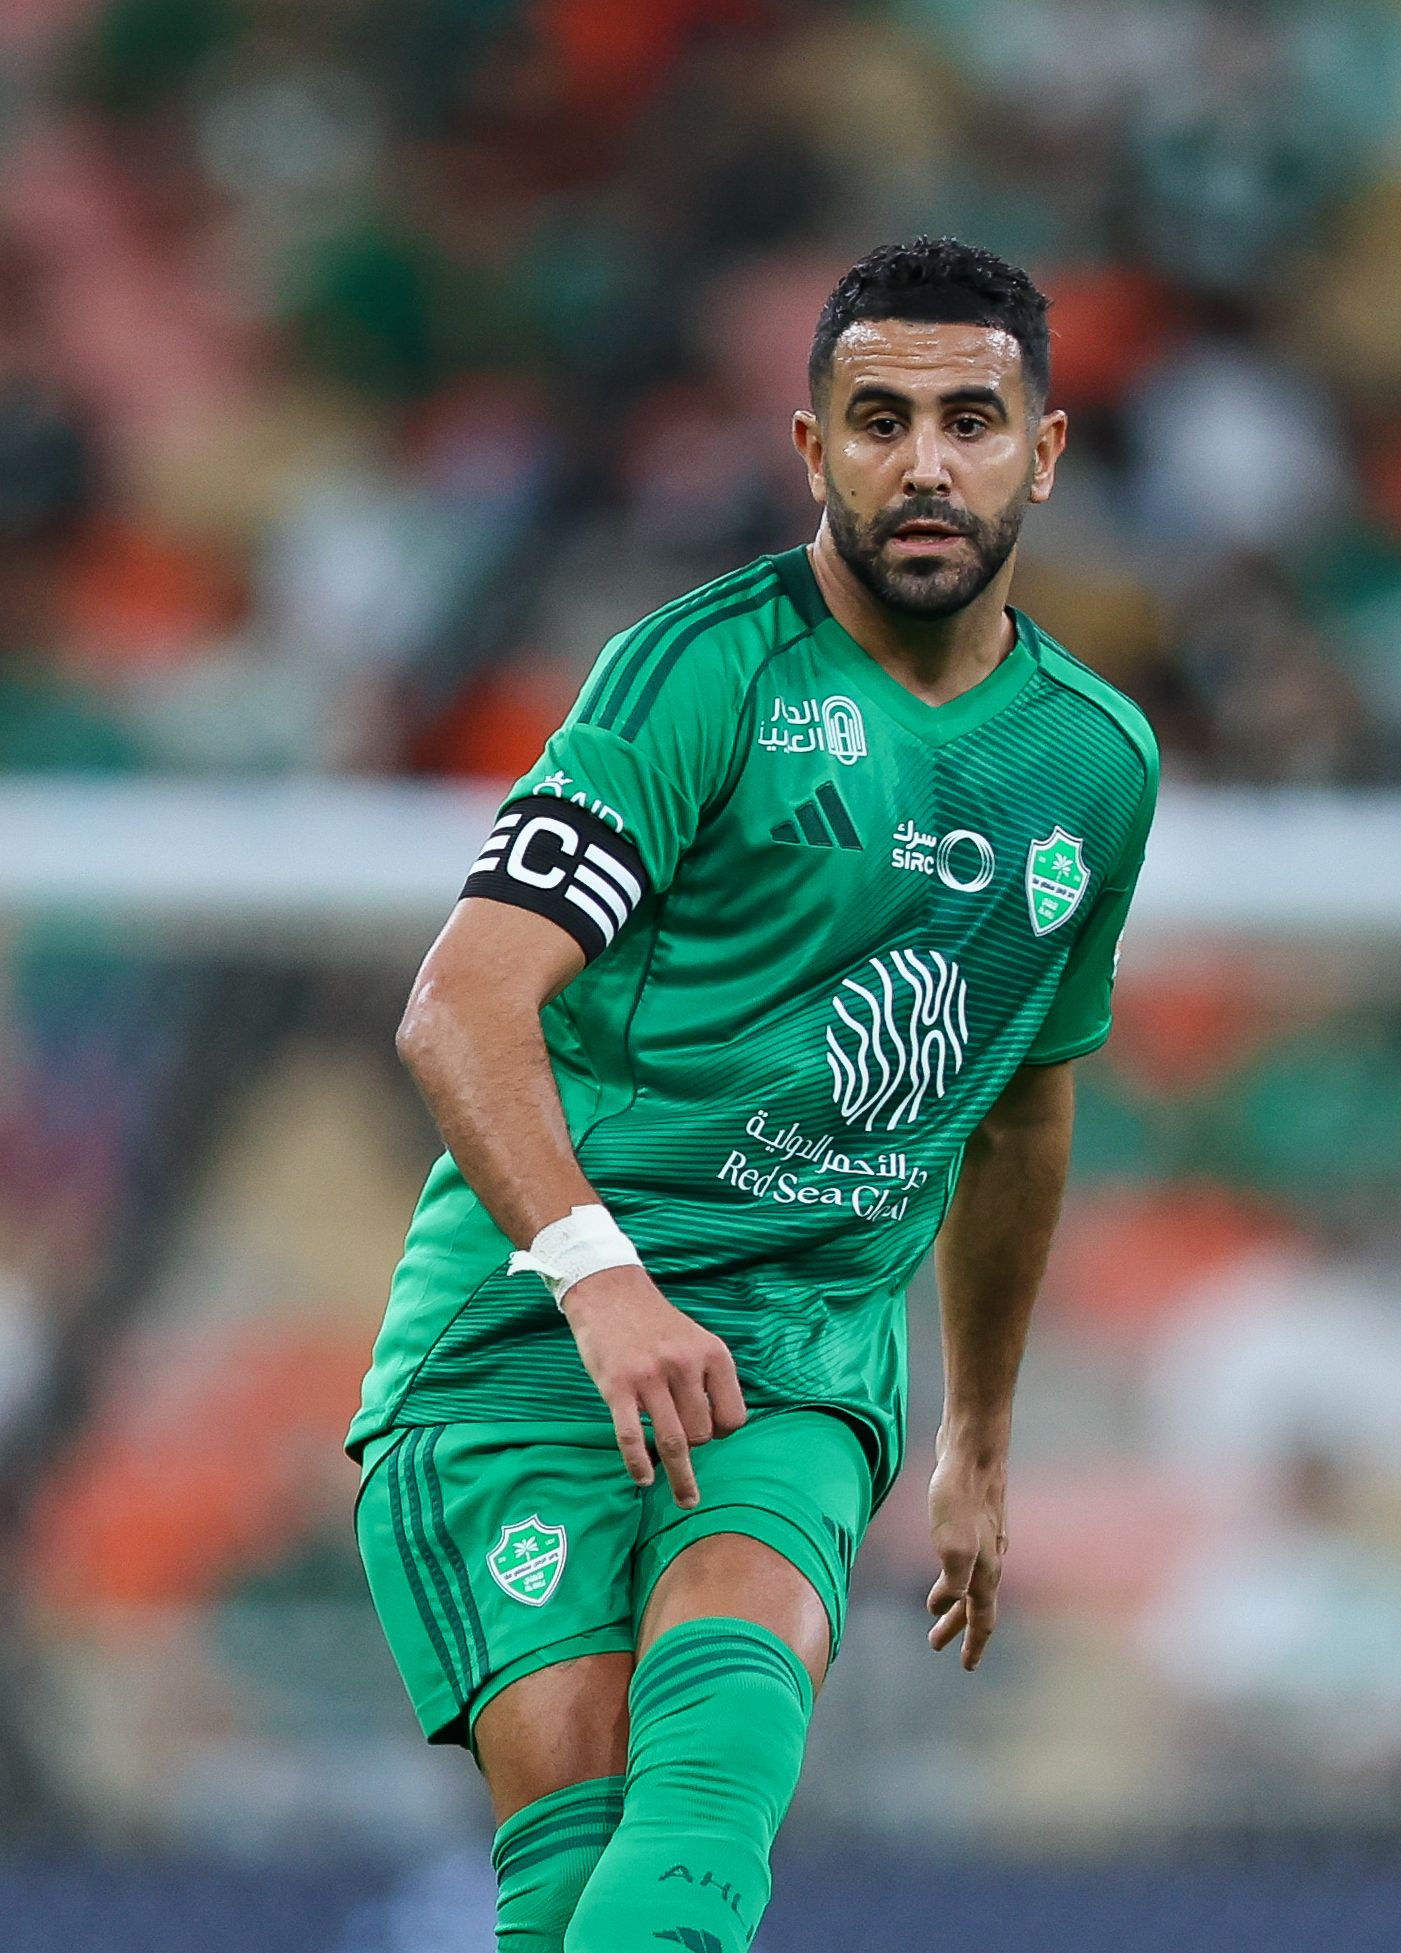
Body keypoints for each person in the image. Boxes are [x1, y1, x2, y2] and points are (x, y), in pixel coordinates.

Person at [352, 237, 1159, 1953]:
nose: (925, 463)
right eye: (879, 420)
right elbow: (458, 1005)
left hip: (794, 1348)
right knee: (573, 1889)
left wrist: (981, 1440)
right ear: (812, 450)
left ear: (1047, 450)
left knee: (707, 1801)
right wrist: (604, 1279)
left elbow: (1020, 1110)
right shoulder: (693, 676)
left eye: (969, 420)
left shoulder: (1093, 761)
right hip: (527, 1340)